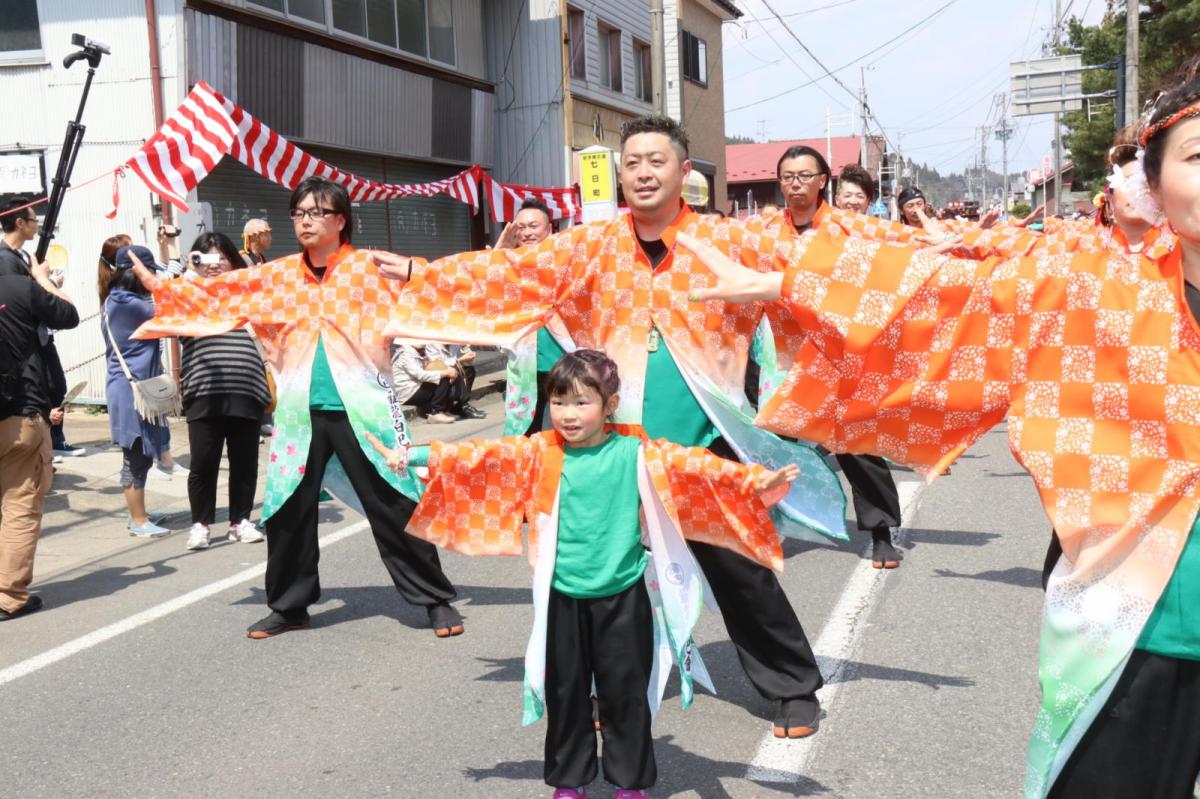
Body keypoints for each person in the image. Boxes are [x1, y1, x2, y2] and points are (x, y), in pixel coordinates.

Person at [677, 55, 1200, 799]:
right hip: (1137, 615)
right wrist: (785, 282)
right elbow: (953, 289)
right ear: (1152, 180)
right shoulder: (1092, 282)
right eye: (1198, 155)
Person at [379, 114, 852, 740]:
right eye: (632, 163)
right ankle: (614, 689)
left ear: (686, 173)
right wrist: (421, 273)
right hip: (614, 450)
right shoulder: (591, 246)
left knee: (740, 570)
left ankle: (792, 685)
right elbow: (510, 275)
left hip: (704, 442)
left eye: (657, 161)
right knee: (608, 582)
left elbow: (821, 273)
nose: (643, 173)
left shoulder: (727, 241)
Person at [366, 350, 799, 799]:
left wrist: (752, 483)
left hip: (623, 598)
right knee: (566, 695)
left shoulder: (638, 451)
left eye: (581, 403)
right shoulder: (541, 452)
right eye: (558, 403)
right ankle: (570, 782)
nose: (567, 415)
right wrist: (411, 455)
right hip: (563, 598)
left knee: (625, 697)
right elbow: (479, 457)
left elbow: (698, 469)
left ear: (610, 406)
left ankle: (630, 783)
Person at [125, 176, 462, 640]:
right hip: (298, 412)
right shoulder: (277, 277)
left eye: (316, 212)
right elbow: (218, 296)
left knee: (393, 501)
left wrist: (414, 270)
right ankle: (289, 605)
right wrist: (162, 289)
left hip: (363, 408)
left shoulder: (371, 268)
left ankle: (434, 599)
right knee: (286, 509)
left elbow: (440, 288)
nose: (305, 221)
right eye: (299, 213)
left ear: (341, 220)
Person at [177, 232, 271, 551]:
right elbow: (172, 309)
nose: (215, 265)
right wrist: (191, 272)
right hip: (202, 389)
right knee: (203, 462)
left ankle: (240, 521)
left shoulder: (245, 295)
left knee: (244, 462)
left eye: (222, 258)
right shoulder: (187, 295)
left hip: (247, 388)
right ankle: (200, 524)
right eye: (206, 258)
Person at [0, 247, 79, 620]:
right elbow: (69, 315)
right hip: (20, 417)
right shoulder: (22, 289)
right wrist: (43, 280)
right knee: (20, 505)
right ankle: (8, 595)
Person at [0, 198, 82, 462]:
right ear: (20, 222)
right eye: (34, 219)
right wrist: (44, 283)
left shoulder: (22, 257)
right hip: (22, 352)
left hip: (38, 343)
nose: (38, 225)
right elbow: (26, 304)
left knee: (55, 389)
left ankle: (51, 443)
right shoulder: (6, 261)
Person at [101, 245, 173, 537]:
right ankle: (138, 520)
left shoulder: (118, 299)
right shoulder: (128, 304)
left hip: (131, 386)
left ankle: (139, 512)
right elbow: (168, 311)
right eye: (148, 271)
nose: (151, 276)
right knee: (135, 454)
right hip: (130, 390)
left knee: (141, 452)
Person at [498, 198, 564, 435]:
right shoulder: (508, 263)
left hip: (562, 363)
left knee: (558, 433)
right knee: (524, 435)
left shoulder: (566, 259)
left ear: (549, 229)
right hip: (524, 366)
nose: (526, 232)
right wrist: (499, 254)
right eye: (521, 227)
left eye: (533, 226)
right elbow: (484, 293)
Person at [390, 342, 466, 423]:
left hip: (416, 386)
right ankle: (436, 412)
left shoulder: (421, 351)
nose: (420, 341)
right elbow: (420, 375)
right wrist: (445, 372)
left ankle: (446, 410)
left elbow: (434, 365)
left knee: (445, 370)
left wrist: (448, 370)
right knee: (443, 376)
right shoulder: (405, 354)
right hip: (408, 392)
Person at [423, 342, 485, 419]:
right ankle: (464, 405)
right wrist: (460, 360)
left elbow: (465, 362)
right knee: (452, 371)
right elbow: (438, 365)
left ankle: (459, 406)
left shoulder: (454, 343)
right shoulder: (432, 345)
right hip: (435, 374)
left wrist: (466, 350)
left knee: (469, 370)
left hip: (449, 370)